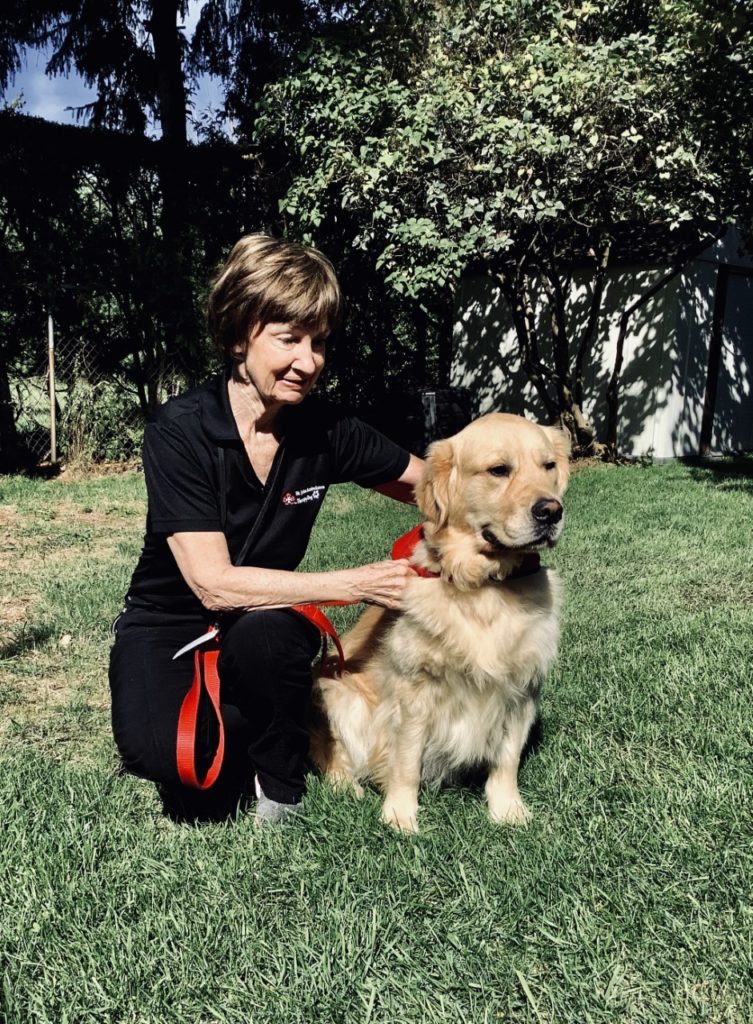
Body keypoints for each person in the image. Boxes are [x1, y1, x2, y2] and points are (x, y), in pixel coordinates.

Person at [109, 234, 424, 823]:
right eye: (289, 340)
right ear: (238, 336)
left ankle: (281, 790)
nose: (310, 362)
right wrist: (358, 583)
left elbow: (434, 488)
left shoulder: (328, 429)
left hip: (264, 622)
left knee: (269, 637)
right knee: (181, 774)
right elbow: (214, 586)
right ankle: (261, 725)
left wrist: (508, 506)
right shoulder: (179, 432)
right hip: (169, 622)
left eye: (320, 342)